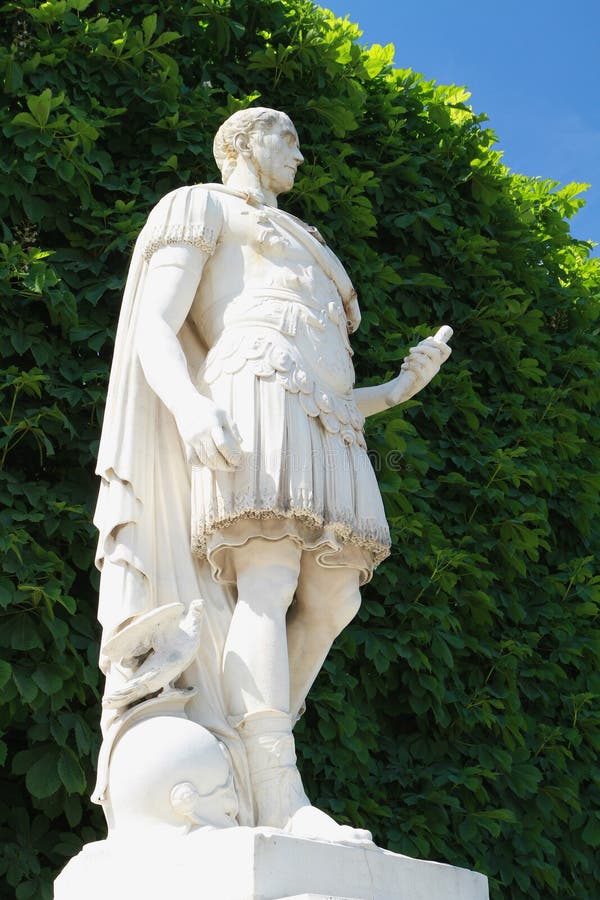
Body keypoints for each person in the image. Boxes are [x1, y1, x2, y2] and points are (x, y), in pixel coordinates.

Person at [93, 107, 451, 842]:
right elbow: (157, 323)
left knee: (336, 597)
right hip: (249, 381)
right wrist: (190, 407)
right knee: (269, 578)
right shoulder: (199, 205)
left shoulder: (307, 242)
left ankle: (251, 764)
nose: (299, 151)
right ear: (241, 141)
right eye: (285, 137)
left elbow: (331, 376)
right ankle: (279, 794)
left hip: (326, 413)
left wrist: (397, 390)